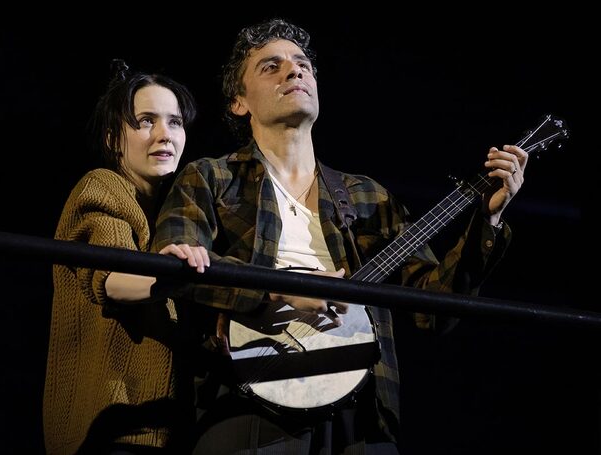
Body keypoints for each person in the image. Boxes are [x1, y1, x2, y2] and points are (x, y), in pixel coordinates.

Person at [152, 18, 527, 455]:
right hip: (245, 400)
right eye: (271, 67)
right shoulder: (211, 178)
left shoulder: (367, 196)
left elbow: (434, 310)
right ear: (239, 101)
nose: (294, 72)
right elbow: (178, 264)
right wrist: (286, 291)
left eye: (303, 64)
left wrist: (490, 220)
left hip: (363, 415)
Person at [43, 60, 210, 455]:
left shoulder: (176, 211)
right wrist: (173, 277)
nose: (163, 135)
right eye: (145, 121)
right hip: (113, 429)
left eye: (174, 122)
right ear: (112, 138)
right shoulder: (104, 186)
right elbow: (111, 278)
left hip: (168, 429)